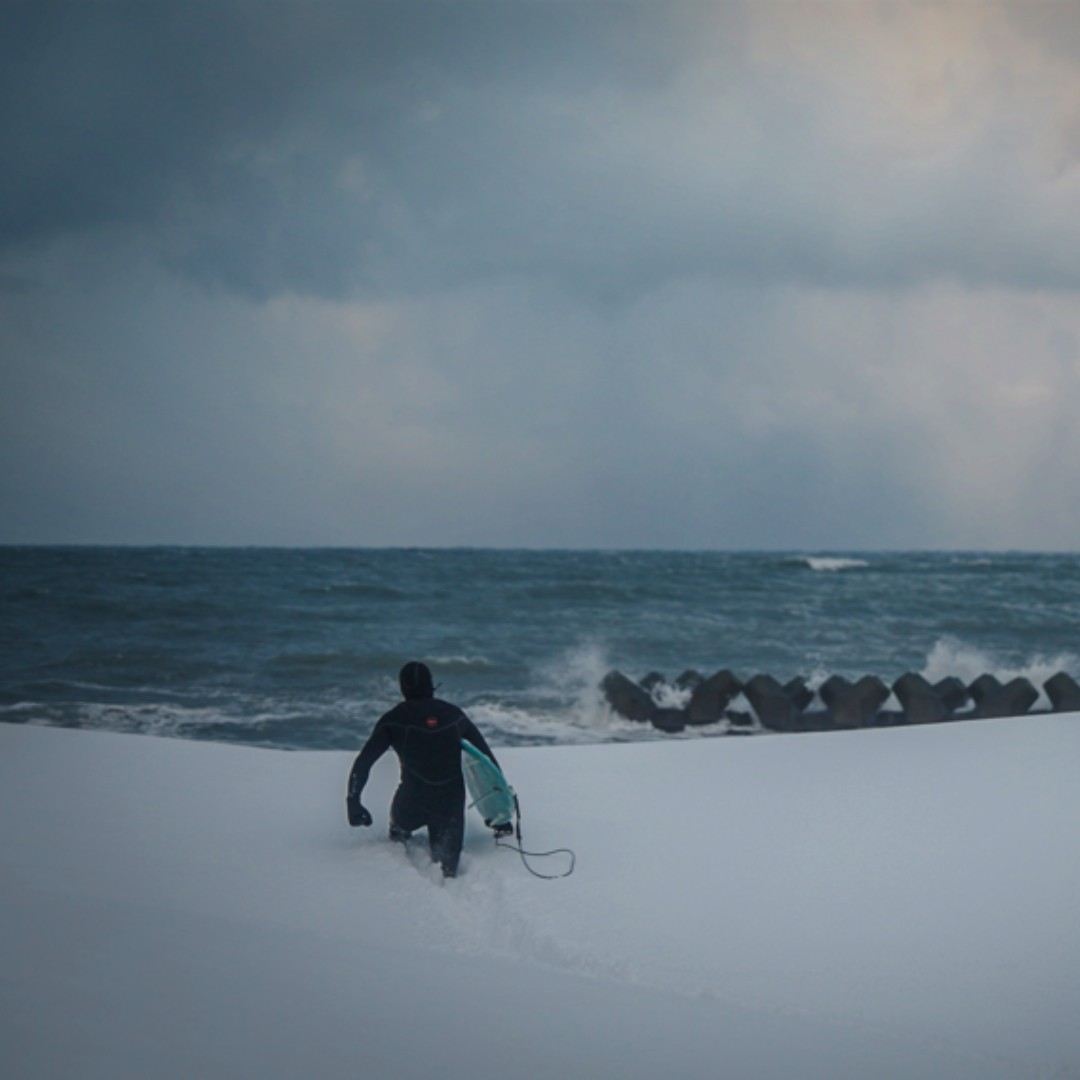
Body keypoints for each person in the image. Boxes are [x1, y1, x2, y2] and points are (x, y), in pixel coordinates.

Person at [346, 660, 508, 878]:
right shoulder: (454, 715)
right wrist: (501, 815)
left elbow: (364, 762)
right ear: (431, 685)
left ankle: (402, 840)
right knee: (447, 869)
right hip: (449, 805)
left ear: (403, 687)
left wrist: (353, 801)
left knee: (399, 832)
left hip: (411, 803)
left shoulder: (393, 719)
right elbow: (487, 762)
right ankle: (448, 879)